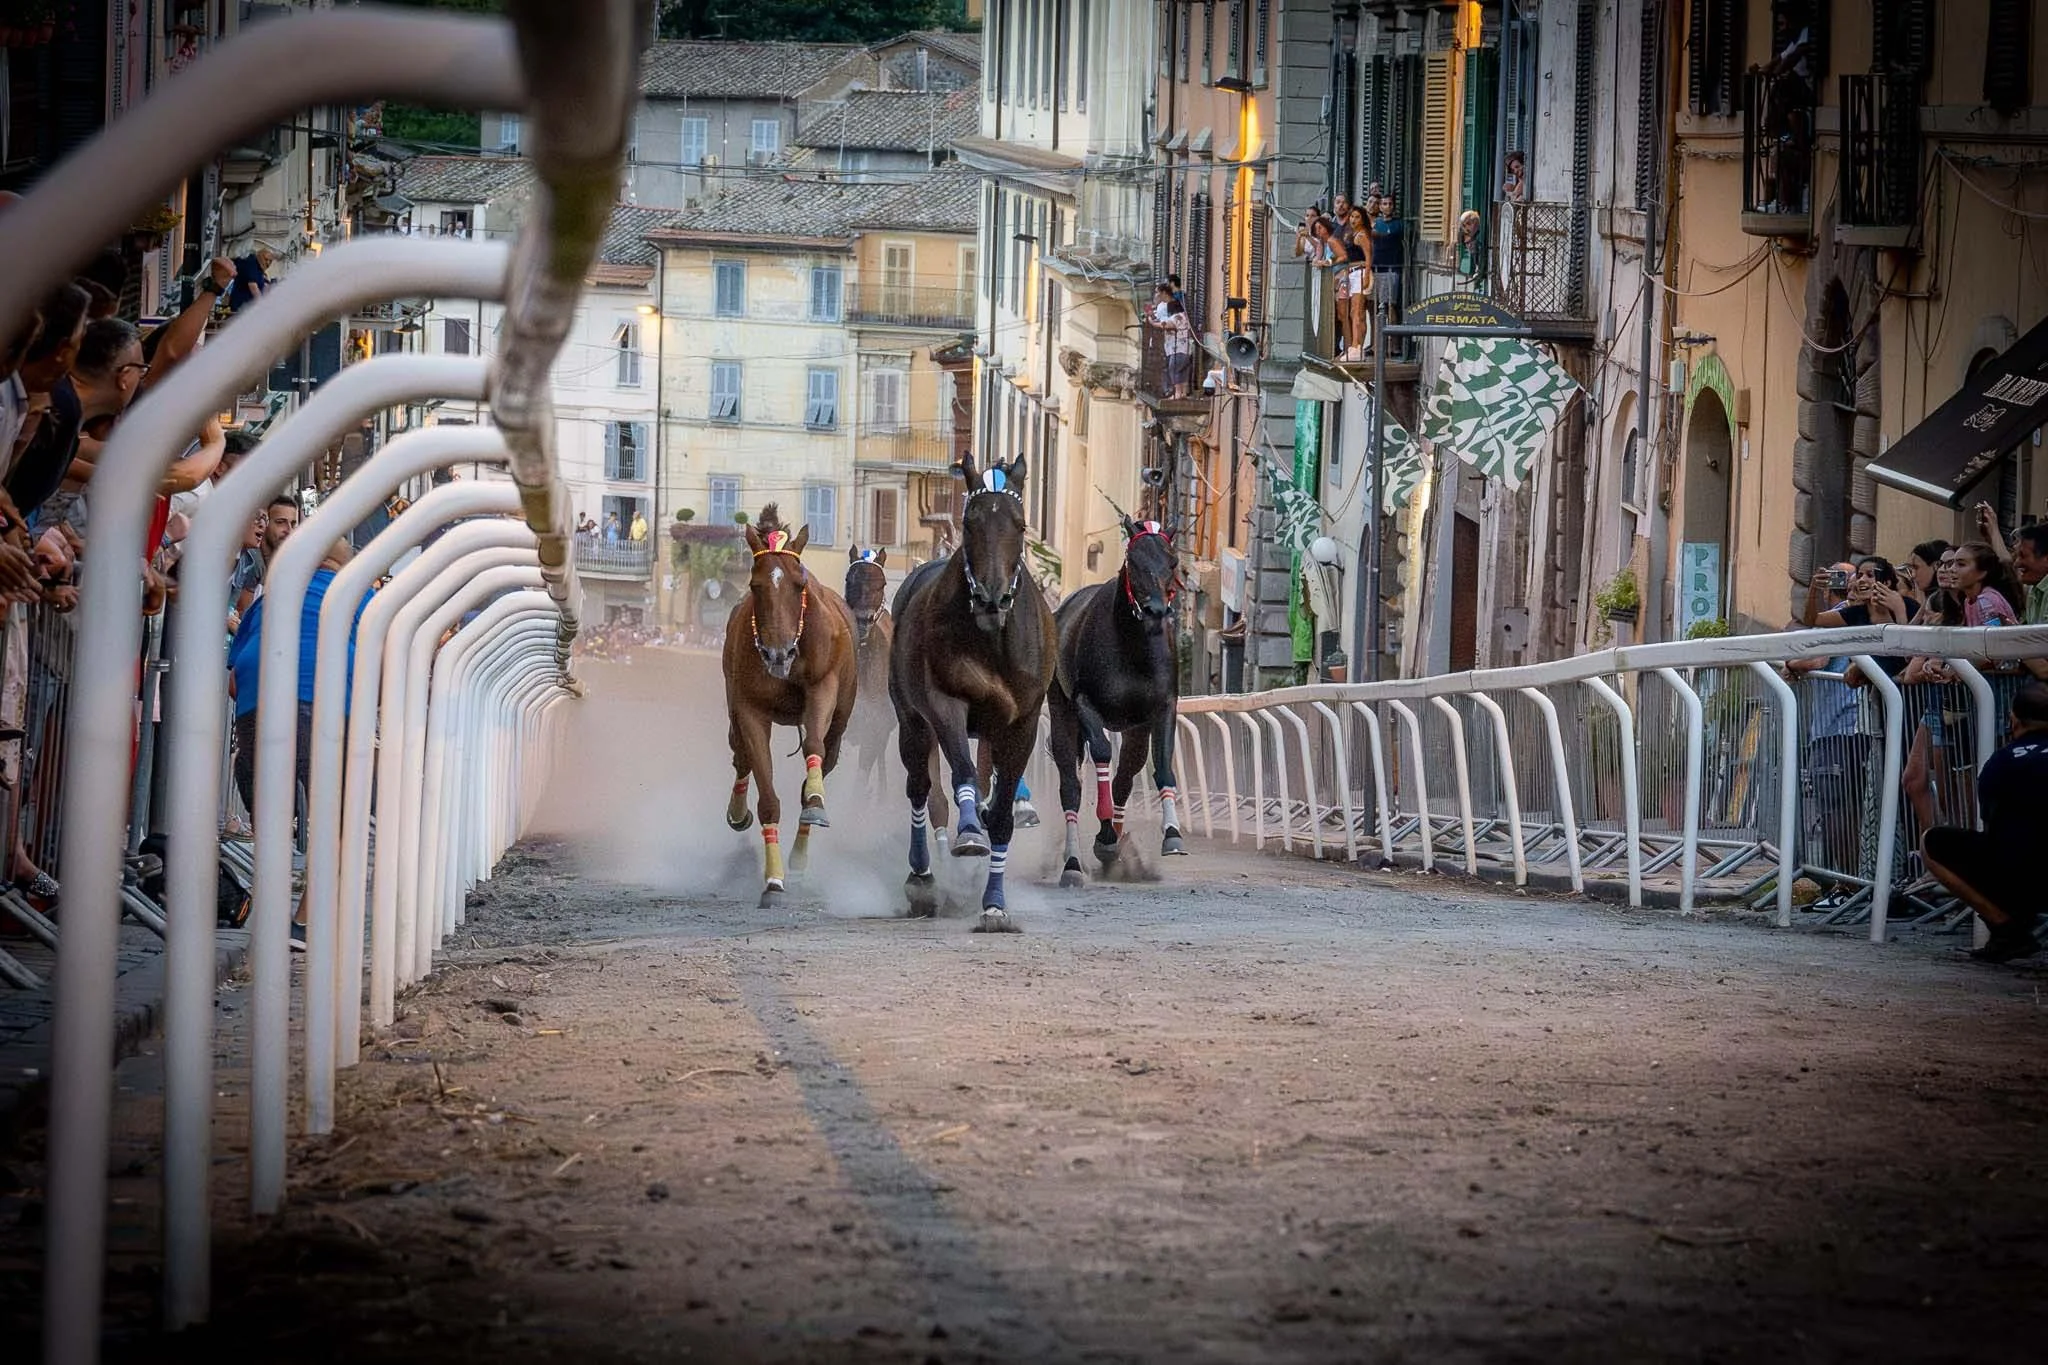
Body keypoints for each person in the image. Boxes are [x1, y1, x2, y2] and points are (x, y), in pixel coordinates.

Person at [226, 538, 369, 946]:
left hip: (258, 700)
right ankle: (302, 923)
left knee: (271, 811)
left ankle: (271, 913)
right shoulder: (358, 595)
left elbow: (234, 679)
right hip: (321, 697)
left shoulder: (271, 599)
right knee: (336, 815)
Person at [1919, 681, 2048, 962]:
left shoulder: (2001, 761)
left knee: (1932, 842)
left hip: (2022, 878)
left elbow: (1992, 825)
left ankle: (2006, 929)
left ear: (2013, 720)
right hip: (2029, 876)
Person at [228, 245, 278, 313]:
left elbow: (263, 286)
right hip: (241, 308)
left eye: (270, 261)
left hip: (248, 308)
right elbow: (253, 287)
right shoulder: (251, 263)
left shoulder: (259, 269)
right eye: (266, 259)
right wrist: (263, 307)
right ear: (260, 256)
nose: (268, 263)